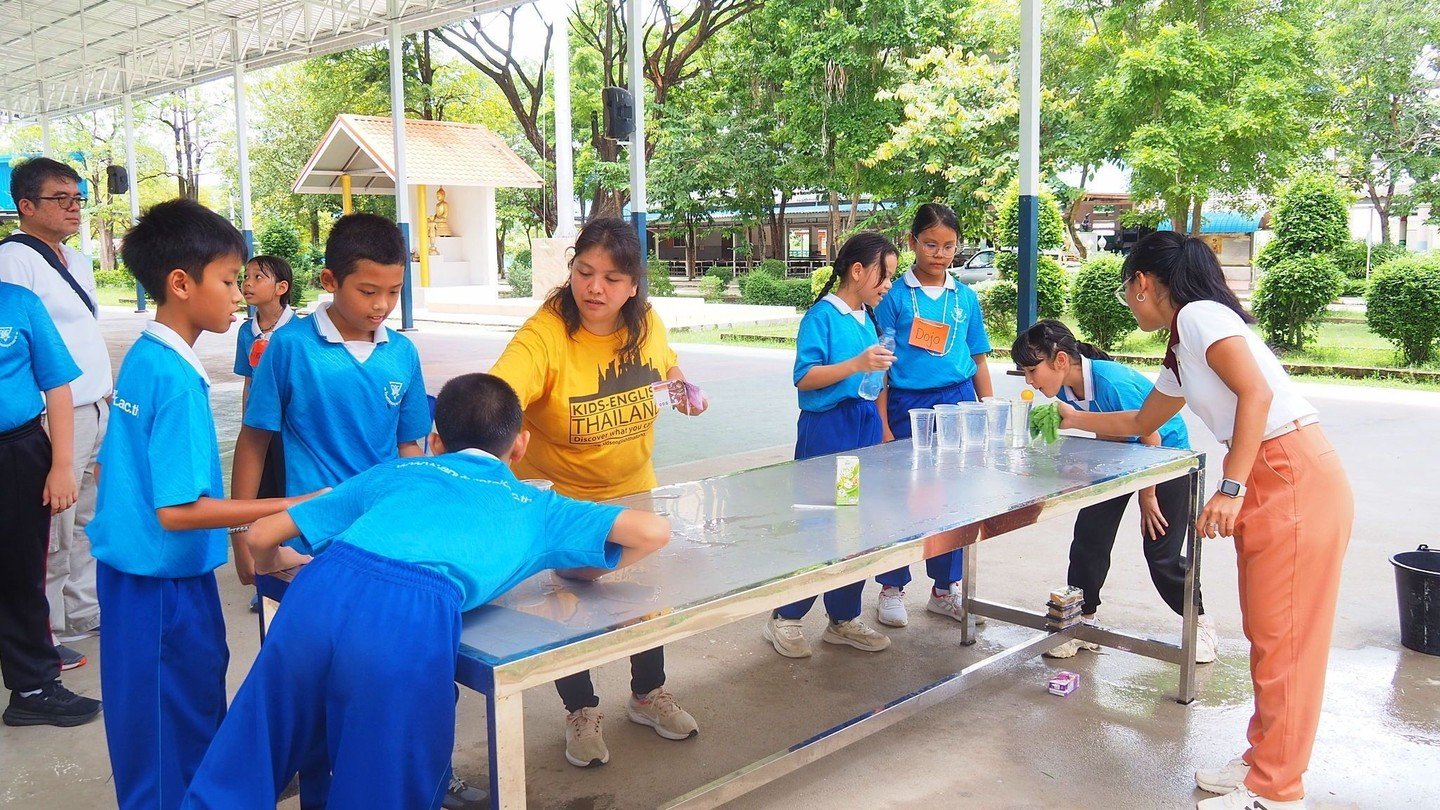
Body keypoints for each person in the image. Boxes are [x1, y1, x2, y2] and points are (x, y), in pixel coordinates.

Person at [182, 373, 672, 809]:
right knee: (381, 783)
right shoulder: (538, 506)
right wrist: (581, 571)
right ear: (520, 445)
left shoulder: (394, 472)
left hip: (318, 592)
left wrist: (282, 565)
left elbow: (261, 536)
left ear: (436, 442)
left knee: (247, 757)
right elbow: (652, 533)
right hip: (408, 617)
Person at [1054, 231, 1351, 810]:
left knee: (1287, 641)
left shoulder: (1199, 317)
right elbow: (1141, 421)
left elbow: (1256, 395)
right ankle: (1263, 759)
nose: (1128, 301)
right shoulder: (1182, 347)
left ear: (1142, 283)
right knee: (1269, 634)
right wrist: (1069, 418)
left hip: (1288, 473)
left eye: (1126, 291)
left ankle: (1277, 790)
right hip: (1278, 474)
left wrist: (1231, 487)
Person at [228, 214, 491, 808]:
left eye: (393, 292)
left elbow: (410, 452)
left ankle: (425, 774)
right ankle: (315, 778)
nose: (381, 306)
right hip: (310, 544)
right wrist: (243, 532)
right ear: (329, 280)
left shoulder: (402, 354)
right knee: (321, 677)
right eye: (367, 291)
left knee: (411, 672)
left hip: (386, 543)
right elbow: (255, 440)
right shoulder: (290, 348)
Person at [86, 199, 308, 809]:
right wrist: (289, 504)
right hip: (162, 587)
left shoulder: (145, 356)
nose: (239, 294)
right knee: (170, 738)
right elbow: (179, 511)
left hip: (138, 577)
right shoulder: (179, 381)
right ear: (181, 284)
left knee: (160, 730)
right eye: (230, 280)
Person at [489, 217, 705, 769]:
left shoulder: (645, 320)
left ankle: (647, 694)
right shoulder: (547, 332)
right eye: (584, 272)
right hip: (563, 501)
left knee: (644, 602)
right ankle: (580, 709)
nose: (595, 288)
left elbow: (664, 359)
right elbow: (503, 386)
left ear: (633, 285)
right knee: (566, 607)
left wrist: (680, 382)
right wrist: (495, 426)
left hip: (633, 487)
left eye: (611, 278)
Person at [1011, 319, 1216, 663]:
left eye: (1033, 371)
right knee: (1089, 539)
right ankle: (1081, 622)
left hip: (1167, 460)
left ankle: (1200, 624)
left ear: (1060, 360)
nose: (1030, 381)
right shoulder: (1062, 387)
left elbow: (1152, 438)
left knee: (1161, 555)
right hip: (1120, 457)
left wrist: (1147, 496)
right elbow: (1108, 428)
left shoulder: (1111, 382)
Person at [761, 231, 897, 659]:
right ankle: (786, 616)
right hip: (828, 430)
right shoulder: (821, 317)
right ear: (857, 271)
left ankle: (843, 617)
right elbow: (805, 378)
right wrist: (857, 364)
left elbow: (875, 381)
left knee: (855, 523)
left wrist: (882, 424)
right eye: (884, 275)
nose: (888, 285)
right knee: (819, 524)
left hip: (862, 427)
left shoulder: (866, 318)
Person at [0, 157, 111, 667]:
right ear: (26, 206)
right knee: (49, 529)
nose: (73, 208)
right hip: (54, 413)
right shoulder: (13, 262)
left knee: (87, 515)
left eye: (78, 198)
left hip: (95, 401)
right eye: (60, 199)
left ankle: (84, 611)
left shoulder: (78, 261)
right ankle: (42, 631)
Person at [872, 203, 992, 628]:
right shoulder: (895, 297)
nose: (939, 254)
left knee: (952, 497)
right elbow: (881, 365)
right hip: (908, 404)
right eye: (930, 244)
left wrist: (985, 409)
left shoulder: (966, 297)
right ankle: (891, 586)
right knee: (902, 496)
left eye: (948, 246)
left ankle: (944, 588)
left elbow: (977, 354)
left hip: (958, 400)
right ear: (912, 243)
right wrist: (884, 424)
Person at [0, 280, 101, 728]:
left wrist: (62, 465)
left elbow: (57, 386)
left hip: (17, 453)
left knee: (22, 575)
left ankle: (33, 688)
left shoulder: (17, 302)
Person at [232, 255, 294, 612]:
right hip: (261, 430)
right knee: (262, 494)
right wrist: (247, 427)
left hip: (288, 430)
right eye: (245, 277)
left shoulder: (296, 332)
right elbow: (249, 380)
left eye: (258, 277)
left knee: (286, 490)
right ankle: (265, 574)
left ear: (281, 289)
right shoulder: (246, 331)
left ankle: (290, 561)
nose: (248, 283)